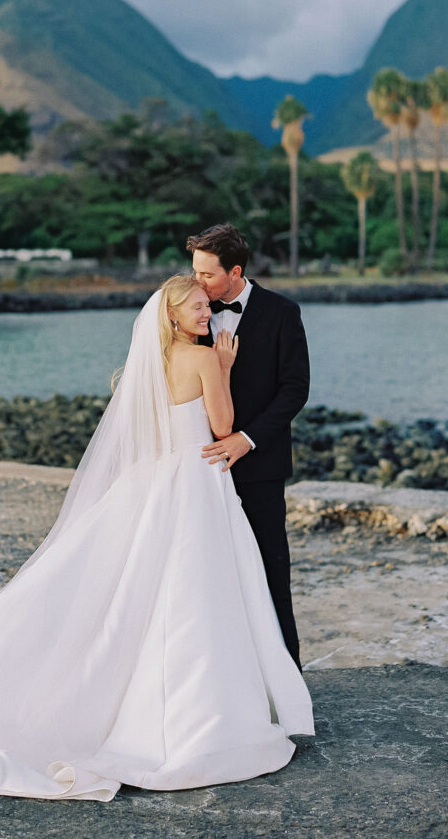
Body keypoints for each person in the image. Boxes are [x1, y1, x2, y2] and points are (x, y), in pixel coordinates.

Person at [0, 275, 314, 802]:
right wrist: (222, 366)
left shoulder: (149, 363)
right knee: (195, 595)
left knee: (141, 590)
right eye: (199, 307)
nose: (208, 313)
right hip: (197, 480)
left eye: (208, 304)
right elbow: (222, 426)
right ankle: (200, 708)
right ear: (173, 315)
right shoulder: (202, 359)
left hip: (154, 481)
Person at [186, 224, 310, 670]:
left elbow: (295, 390)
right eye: (194, 272)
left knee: (270, 573)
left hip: (260, 468)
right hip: (199, 470)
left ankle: (287, 684)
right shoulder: (189, 313)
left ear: (235, 271)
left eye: (207, 275)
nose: (197, 283)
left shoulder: (282, 313)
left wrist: (247, 438)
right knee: (206, 579)